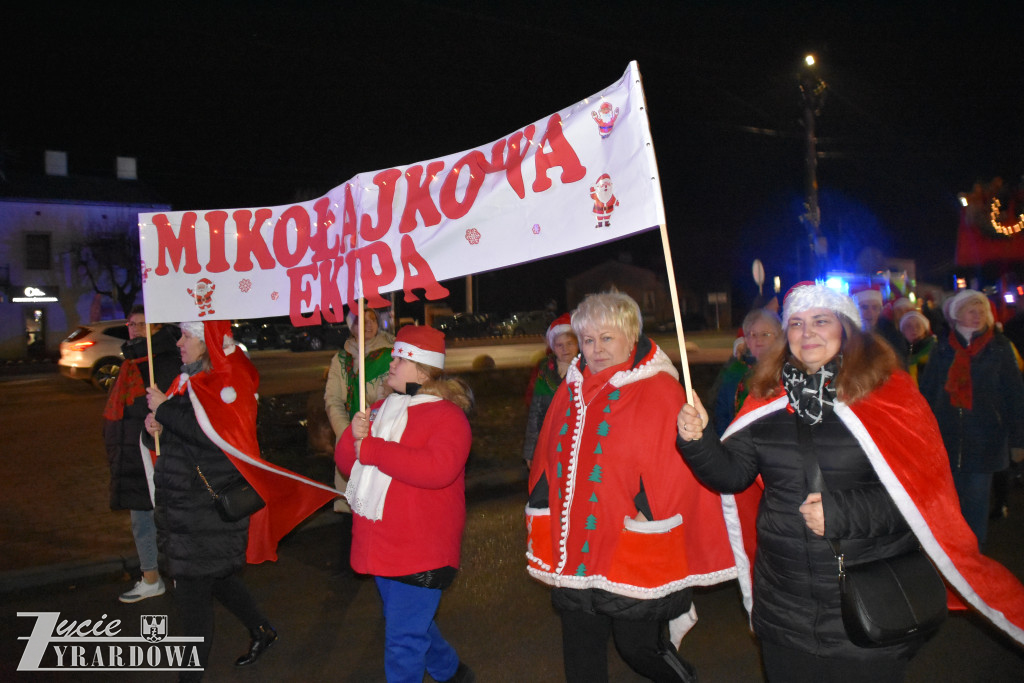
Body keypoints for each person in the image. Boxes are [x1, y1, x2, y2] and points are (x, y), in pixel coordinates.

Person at [677, 282, 1024, 682]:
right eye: (796, 323)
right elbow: (731, 475)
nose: (806, 333)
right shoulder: (767, 399)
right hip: (785, 602)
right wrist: (698, 440)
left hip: (868, 596)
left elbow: (925, 498)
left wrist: (843, 513)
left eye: (820, 321)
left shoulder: (889, 396)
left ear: (846, 328)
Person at [526, 291, 736, 683]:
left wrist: (651, 515)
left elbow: (677, 470)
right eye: (588, 340)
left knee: (638, 646)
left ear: (632, 334)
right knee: (580, 650)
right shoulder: (569, 390)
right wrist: (543, 504)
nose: (596, 349)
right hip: (576, 547)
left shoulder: (659, 389)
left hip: (632, 542)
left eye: (607, 338)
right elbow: (547, 456)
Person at [144, 320, 337, 680]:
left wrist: (166, 411)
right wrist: (154, 425)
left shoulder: (226, 381)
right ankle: (262, 629)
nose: (179, 344)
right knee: (214, 578)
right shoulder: (187, 381)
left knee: (193, 600)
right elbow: (179, 434)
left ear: (207, 343)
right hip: (185, 509)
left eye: (187, 337)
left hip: (205, 512)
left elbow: (215, 434)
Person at [335, 325, 476, 683]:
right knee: (410, 625)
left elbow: (437, 469)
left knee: (403, 639)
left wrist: (374, 448)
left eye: (400, 358)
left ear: (425, 371)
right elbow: (351, 466)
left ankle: (446, 670)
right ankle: (450, 670)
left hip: (421, 548)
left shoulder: (448, 416)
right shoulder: (383, 409)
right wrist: (353, 436)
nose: (391, 365)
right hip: (382, 544)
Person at [918, 289, 1024, 546]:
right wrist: (922, 434)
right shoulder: (942, 348)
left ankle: (974, 560)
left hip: (986, 440)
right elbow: (928, 394)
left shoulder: (999, 347)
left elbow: (1014, 395)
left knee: (976, 504)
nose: (978, 315)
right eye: (971, 310)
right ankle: (954, 558)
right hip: (947, 438)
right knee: (951, 504)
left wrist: (1018, 441)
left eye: (982, 311)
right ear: (956, 315)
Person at [103, 306, 179, 603]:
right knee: (141, 515)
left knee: (167, 515)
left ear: (157, 327)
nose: (132, 327)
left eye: (139, 323)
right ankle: (151, 576)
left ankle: (182, 575)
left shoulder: (165, 360)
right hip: (134, 450)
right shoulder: (132, 360)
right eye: (130, 323)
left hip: (156, 450)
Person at [324, 305, 394, 512]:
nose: (368, 324)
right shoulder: (341, 360)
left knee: (383, 506)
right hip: (350, 438)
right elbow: (333, 400)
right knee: (353, 508)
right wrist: (347, 433)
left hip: (383, 437)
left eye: (372, 318)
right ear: (350, 326)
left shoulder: (392, 354)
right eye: (361, 320)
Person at [707, 308, 781, 437]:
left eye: (765, 334)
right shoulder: (734, 372)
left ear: (779, 337)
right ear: (745, 340)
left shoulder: (787, 372)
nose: (758, 340)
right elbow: (721, 412)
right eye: (752, 335)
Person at [522, 313, 578, 466]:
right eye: (560, 345)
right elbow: (535, 414)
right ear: (553, 347)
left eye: (570, 343)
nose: (565, 349)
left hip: (578, 446)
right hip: (549, 445)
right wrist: (530, 452)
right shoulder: (544, 372)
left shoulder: (586, 370)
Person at [852, 285, 907, 366]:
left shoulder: (892, 335)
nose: (870, 312)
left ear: (880, 310)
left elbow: (900, 363)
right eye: (864, 307)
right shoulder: (848, 333)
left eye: (875, 308)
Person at [898, 309, 935, 385]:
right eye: (908, 326)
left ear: (925, 329)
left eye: (918, 326)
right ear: (903, 332)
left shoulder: (934, 352)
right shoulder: (901, 354)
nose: (914, 329)